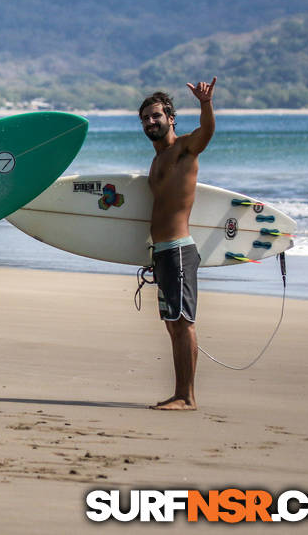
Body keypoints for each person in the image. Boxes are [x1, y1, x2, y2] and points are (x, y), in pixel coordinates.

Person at [138, 77, 217, 410]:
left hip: (180, 250)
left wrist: (205, 104)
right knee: (173, 324)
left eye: (156, 116)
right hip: (163, 253)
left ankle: (187, 396)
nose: (151, 122)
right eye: (145, 118)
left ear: (170, 118)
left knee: (183, 323)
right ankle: (179, 392)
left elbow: (207, 132)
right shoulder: (156, 161)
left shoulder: (185, 148)